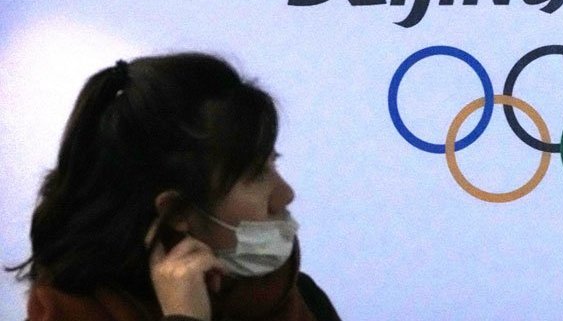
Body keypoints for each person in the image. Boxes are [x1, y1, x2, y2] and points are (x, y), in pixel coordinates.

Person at [8, 52, 341, 321]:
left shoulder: (298, 297)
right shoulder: (67, 312)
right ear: (176, 211)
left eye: (273, 162)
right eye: (255, 174)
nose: (286, 194)